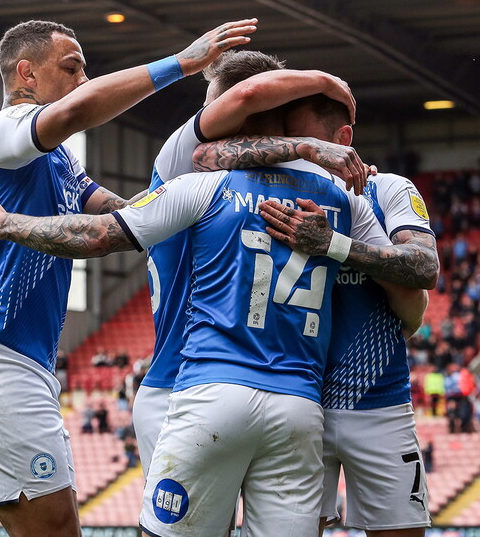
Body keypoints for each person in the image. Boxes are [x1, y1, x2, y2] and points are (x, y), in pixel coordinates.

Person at [0, 95, 426, 537]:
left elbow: (97, 235)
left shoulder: (202, 186)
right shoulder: (344, 201)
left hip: (212, 391)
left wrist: (5, 223)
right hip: (298, 407)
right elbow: (411, 288)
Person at [0, 17, 258, 537]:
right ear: (26, 74)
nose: (83, 79)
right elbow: (80, 109)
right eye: (71, 67)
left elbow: (121, 217)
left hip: (22, 364)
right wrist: (184, 63)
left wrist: (209, 211)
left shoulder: (57, 162)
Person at [133, 49, 366, 477]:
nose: (202, 118)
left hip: (206, 383)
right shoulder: (186, 160)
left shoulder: (197, 163)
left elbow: (249, 95)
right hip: (196, 380)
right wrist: (325, 82)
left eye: (209, 106)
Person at [259, 145, 438, 533]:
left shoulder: (385, 190)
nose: (298, 145)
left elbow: (423, 271)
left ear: (343, 137)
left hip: (380, 400)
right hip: (298, 401)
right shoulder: (267, 191)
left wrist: (335, 246)